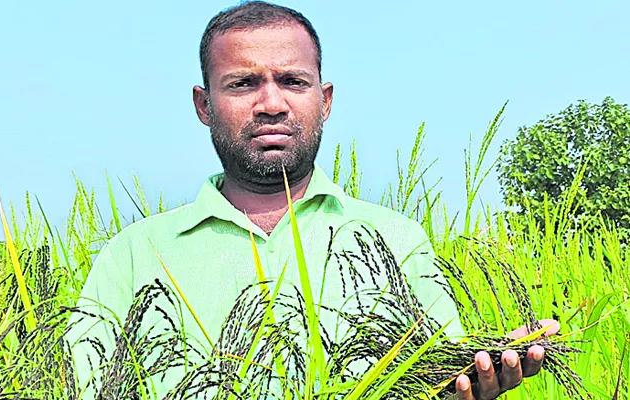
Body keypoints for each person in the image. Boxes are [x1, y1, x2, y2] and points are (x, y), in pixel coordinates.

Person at [69, 2, 557, 399]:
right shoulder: (133, 254)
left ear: (324, 100)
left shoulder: (395, 239)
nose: (272, 103)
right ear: (203, 104)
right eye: (243, 83)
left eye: (292, 81)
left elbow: (440, 377)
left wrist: (469, 384)